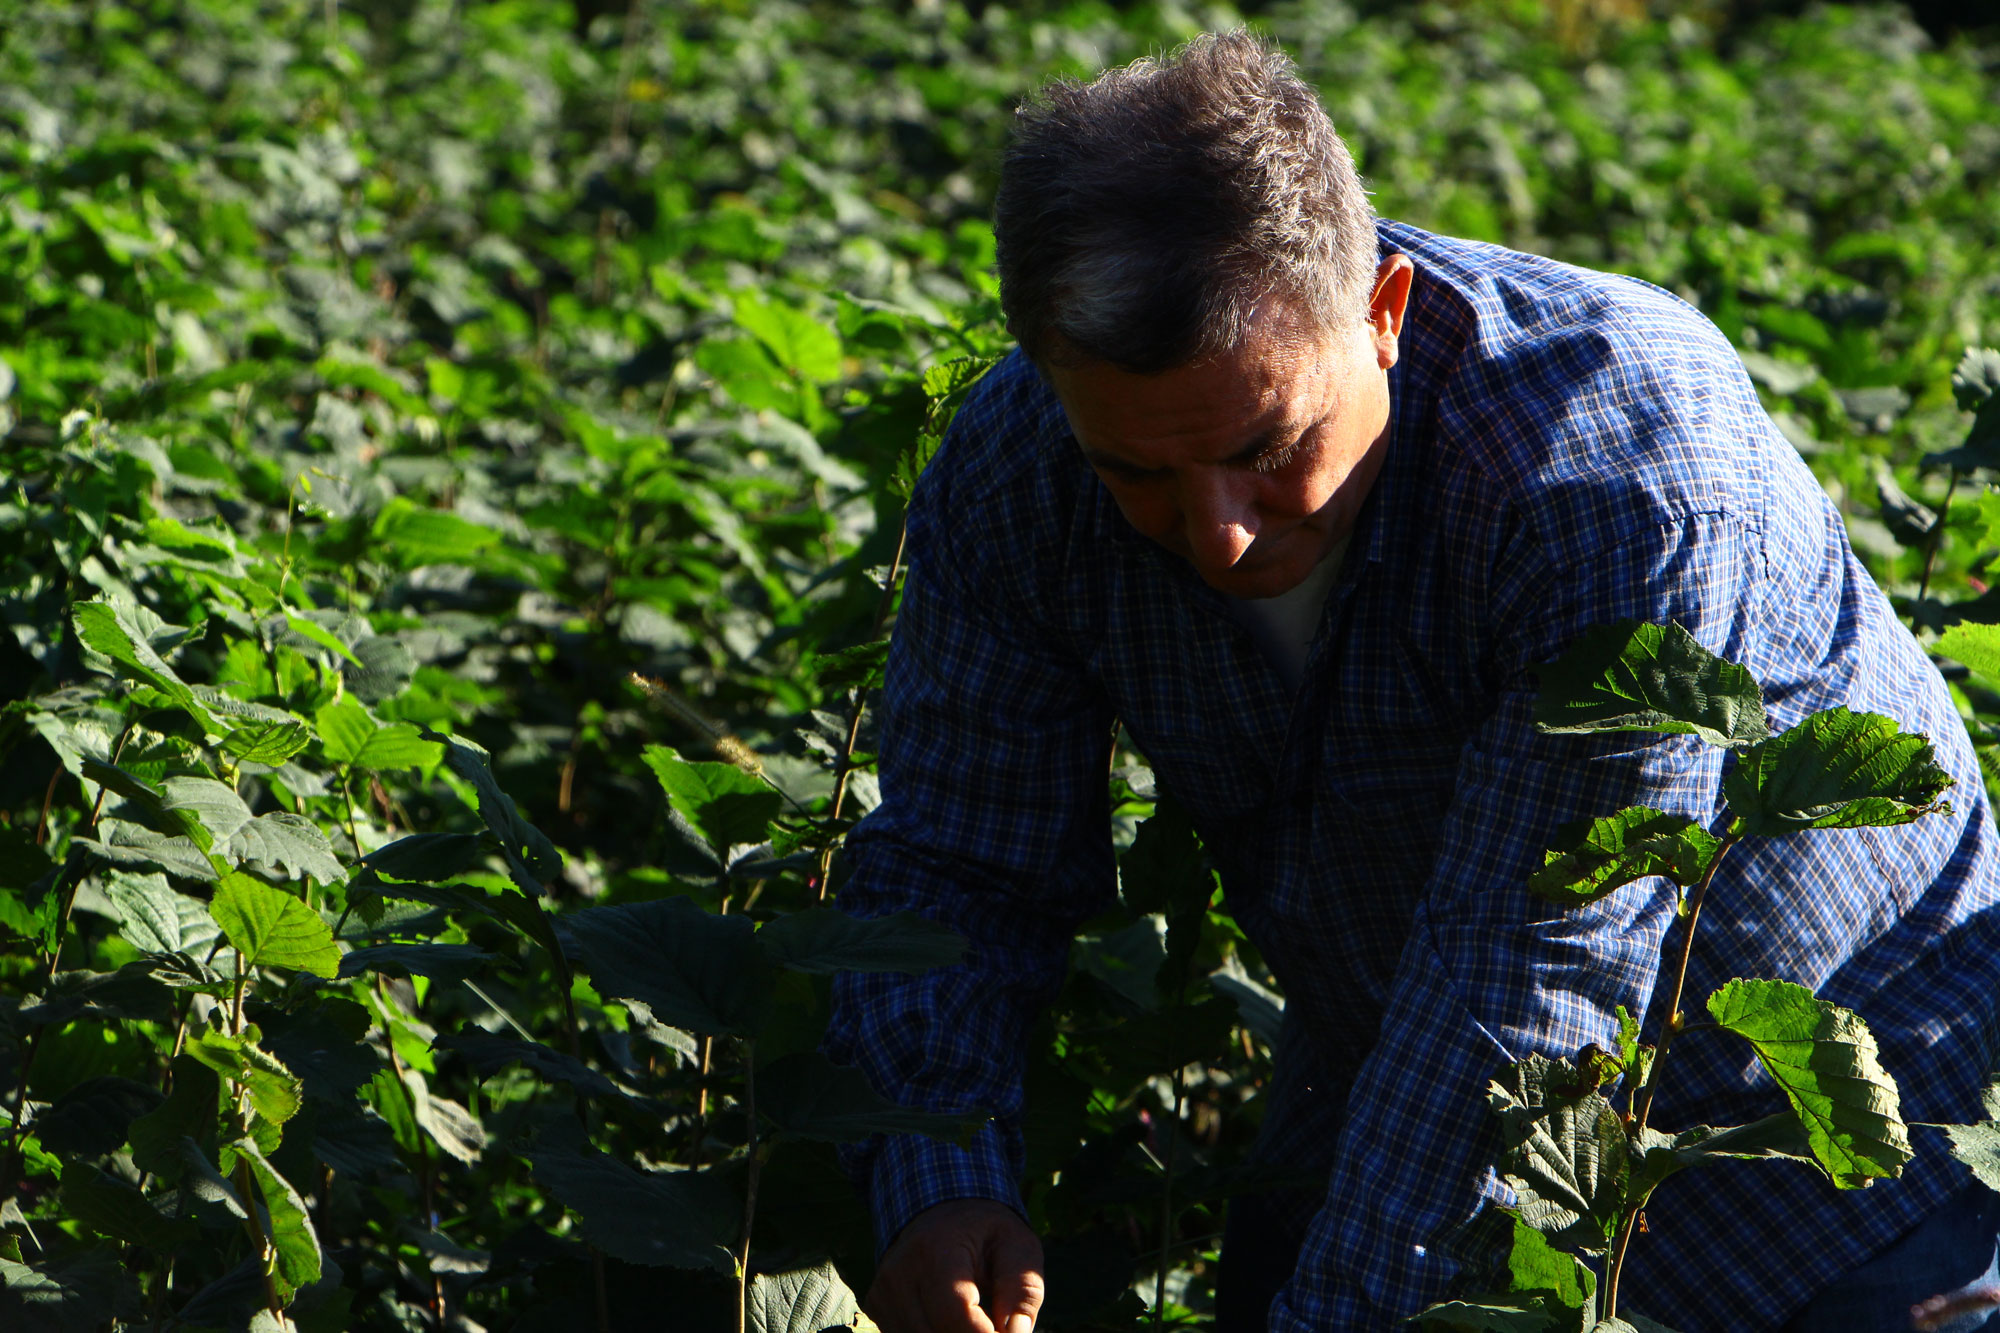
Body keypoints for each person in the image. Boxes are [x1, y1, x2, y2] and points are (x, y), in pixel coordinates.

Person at [821, 29, 2000, 1333]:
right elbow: (956, 865)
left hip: (1838, 1151)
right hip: (1383, 1061)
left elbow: (1532, 971)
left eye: (1267, 449)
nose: (1219, 530)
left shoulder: (1612, 472)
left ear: (1382, 313)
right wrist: (936, 1180)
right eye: (1138, 475)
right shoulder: (1021, 468)